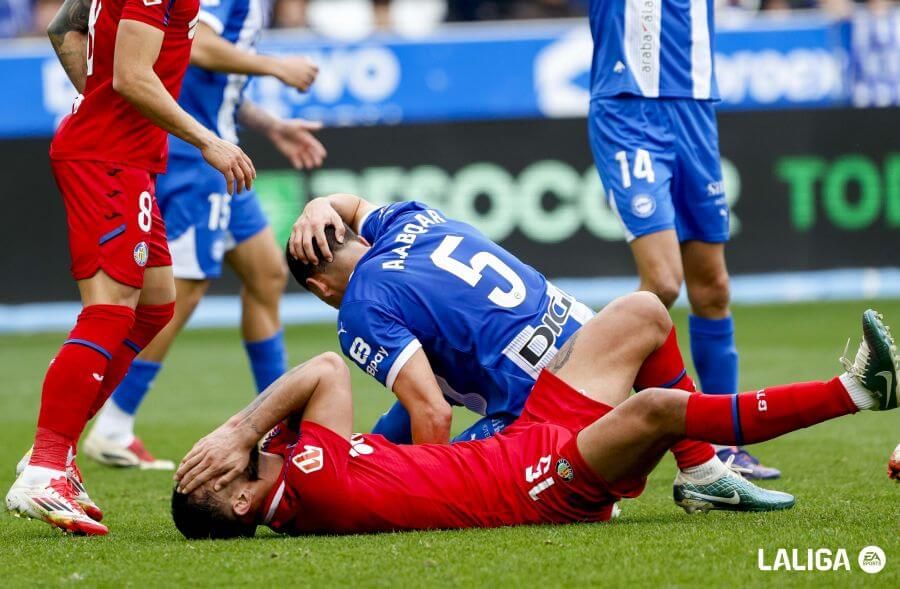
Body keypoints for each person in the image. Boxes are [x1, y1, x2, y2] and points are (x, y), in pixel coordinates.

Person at [171, 305, 897, 538]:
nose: (231, 447)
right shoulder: (305, 486)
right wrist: (239, 428)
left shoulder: (296, 461)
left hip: (521, 444)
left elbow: (321, 379)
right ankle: (858, 391)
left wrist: (243, 434)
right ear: (241, 500)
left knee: (640, 314)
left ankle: (703, 472)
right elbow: (327, 372)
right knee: (654, 409)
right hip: (534, 486)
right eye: (218, 467)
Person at [285, 194, 789, 512]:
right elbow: (427, 392)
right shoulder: (411, 217)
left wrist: (403, 490)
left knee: (455, 479)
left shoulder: (359, 308)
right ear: (354, 234)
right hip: (611, 359)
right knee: (647, 311)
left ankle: (585, 492)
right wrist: (318, 202)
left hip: (562, 425)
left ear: (317, 287)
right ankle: (701, 468)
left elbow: (432, 412)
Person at [6, 0, 255, 535]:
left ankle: (56, 452)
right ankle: (47, 466)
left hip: (125, 154)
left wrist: (99, 104)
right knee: (110, 310)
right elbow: (131, 77)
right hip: (107, 157)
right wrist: (209, 141)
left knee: (154, 306)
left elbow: (62, 28)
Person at [83, 0, 326, 470]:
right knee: (182, 291)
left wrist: (273, 125)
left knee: (266, 275)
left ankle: (280, 425)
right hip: (196, 158)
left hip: (220, 151)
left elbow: (213, 85)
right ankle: (112, 424)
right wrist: (275, 66)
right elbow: (199, 48)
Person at [584, 0, 778, 478]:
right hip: (629, 108)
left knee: (712, 286)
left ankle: (725, 444)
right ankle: (579, 423)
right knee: (664, 283)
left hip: (694, 111)